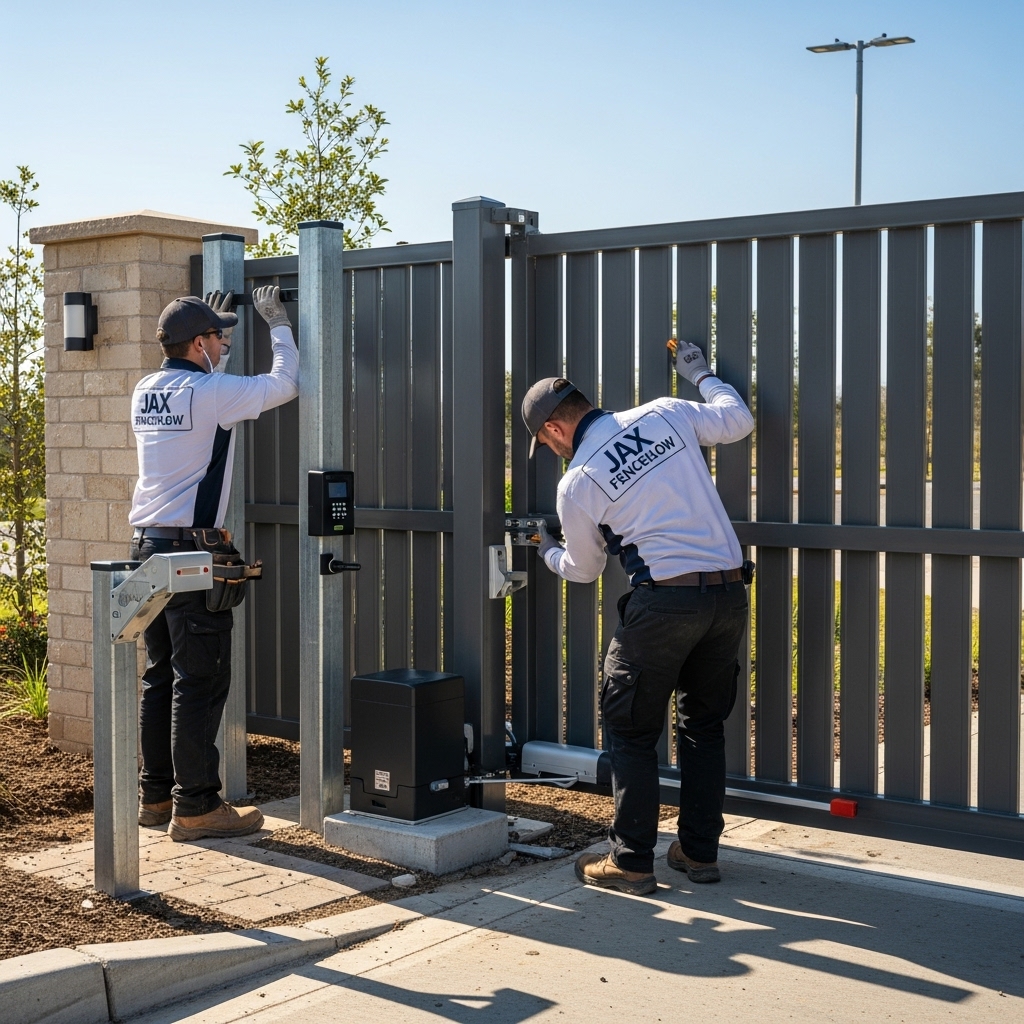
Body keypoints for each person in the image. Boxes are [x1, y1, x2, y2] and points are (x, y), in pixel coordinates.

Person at [522, 339, 754, 895]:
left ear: (554, 430)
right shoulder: (664, 412)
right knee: (702, 728)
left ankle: (631, 861)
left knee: (629, 729)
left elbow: (583, 570)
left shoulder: (577, 481)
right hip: (725, 596)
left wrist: (544, 548)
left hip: (663, 605)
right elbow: (737, 420)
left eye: (545, 443)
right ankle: (698, 853)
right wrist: (700, 375)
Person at [129, 287, 298, 841]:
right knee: (198, 680)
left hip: (148, 548)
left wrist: (201, 316)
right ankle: (198, 806)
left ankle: (155, 799)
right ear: (198, 344)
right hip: (191, 555)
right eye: (219, 338)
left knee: (159, 677)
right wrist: (277, 325)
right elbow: (284, 385)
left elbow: (189, 401)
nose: (225, 346)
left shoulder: (145, 390)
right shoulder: (210, 392)